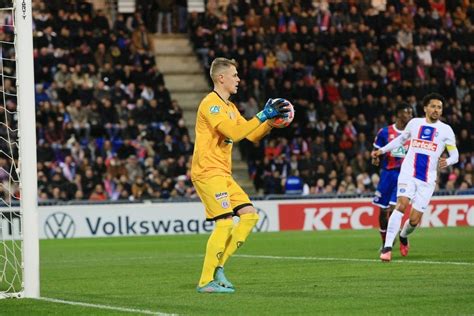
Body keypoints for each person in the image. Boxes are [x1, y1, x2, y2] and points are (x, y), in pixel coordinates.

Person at [191, 57, 290, 293]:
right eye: (234, 75)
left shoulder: (231, 108)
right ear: (221, 78)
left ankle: (218, 267)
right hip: (207, 171)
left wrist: (271, 124)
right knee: (224, 223)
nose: (238, 79)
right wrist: (263, 115)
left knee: (249, 216)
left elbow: (251, 135)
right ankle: (205, 282)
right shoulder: (211, 104)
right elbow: (234, 134)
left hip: (223, 173)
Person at [371, 93, 459, 262]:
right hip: (408, 174)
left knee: (414, 220)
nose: (436, 110)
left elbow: (455, 155)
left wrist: (447, 161)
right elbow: (399, 141)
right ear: (425, 108)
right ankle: (387, 247)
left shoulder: (446, 130)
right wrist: (381, 151)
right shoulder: (414, 124)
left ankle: (403, 236)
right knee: (401, 205)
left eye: (439, 107)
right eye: (433, 106)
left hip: (427, 180)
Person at [371, 103, 413, 249]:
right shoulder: (385, 132)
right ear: (399, 114)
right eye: (407, 112)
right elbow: (375, 152)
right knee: (383, 211)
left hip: (404, 175)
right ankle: (385, 240)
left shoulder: (413, 133)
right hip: (388, 174)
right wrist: (375, 158)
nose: (410, 115)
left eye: (411, 113)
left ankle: (391, 240)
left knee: (396, 208)